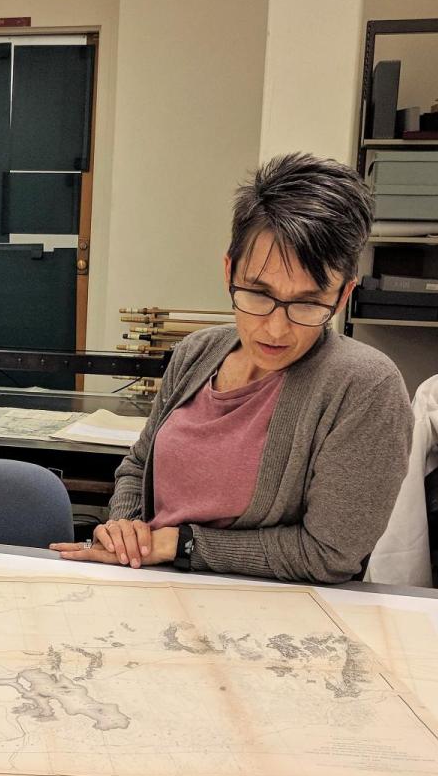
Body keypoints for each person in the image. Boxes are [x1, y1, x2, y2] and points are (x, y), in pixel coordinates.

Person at [51, 153, 409, 583]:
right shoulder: (197, 353)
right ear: (229, 272)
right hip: (152, 586)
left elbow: (328, 554)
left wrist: (181, 545)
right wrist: (126, 530)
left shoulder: (366, 386)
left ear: (343, 295)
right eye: (258, 293)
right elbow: (137, 465)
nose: (276, 328)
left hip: (269, 611)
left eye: (309, 302)